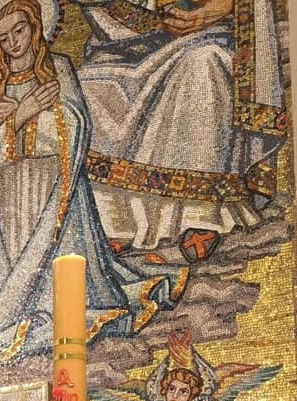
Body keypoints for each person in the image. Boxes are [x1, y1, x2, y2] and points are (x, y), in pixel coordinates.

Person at [0, 0, 184, 372]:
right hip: (10, 203)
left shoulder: (58, 69)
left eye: (19, 30)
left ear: (36, 27)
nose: (14, 42)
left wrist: (27, 119)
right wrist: (19, 116)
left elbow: (76, 128)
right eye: (4, 38)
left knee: (54, 271)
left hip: (53, 193)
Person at [75, 0, 286, 258]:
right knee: (86, 86)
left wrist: (224, 7)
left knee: (203, 63)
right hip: (122, 51)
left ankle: (202, 216)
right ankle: (117, 220)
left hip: (207, 36)